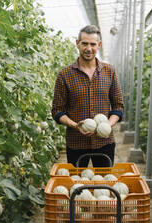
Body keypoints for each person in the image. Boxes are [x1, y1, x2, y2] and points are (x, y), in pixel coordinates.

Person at [51, 25, 124, 167]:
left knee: (103, 183)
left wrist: (107, 125)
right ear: (77, 44)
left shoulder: (110, 72)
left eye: (93, 44)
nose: (88, 48)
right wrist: (75, 125)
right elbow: (57, 110)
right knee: (77, 184)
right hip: (76, 142)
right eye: (84, 43)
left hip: (105, 142)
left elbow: (118, 106)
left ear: (99, 45)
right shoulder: (64, 75)